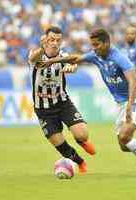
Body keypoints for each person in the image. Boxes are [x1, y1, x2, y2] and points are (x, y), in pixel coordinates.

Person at [38, 29, 136, 178]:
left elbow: (133, 81)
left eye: (96, 45)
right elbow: (76, 58)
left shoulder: (120, 58)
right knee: (124, 145)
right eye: (92, 45)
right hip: (121, 103)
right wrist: (53, 60)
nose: (94, 48)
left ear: (106, 43)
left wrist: (130, 105)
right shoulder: (96, 55)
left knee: (124, 136)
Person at [28, 26, 96, 174]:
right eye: (51, 39)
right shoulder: (37, 55)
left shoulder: (63, 55)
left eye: (58, 40)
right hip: (43, 109)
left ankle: (80, 141)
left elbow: (72, 63)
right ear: (45, 39)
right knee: (60, 144)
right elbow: (33, 59)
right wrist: (41, 47)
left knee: (83, 134)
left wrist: (73, 68)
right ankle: (80, 162)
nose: (54, 43)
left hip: (62, 103)